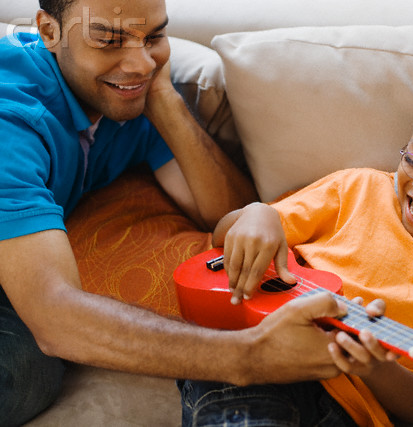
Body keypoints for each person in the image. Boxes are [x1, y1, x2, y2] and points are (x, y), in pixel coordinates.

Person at [0, 0, 361, 425]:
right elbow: (55, 318)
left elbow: (225, 214)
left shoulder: (126, 96)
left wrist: (164, 100)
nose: (140, 63)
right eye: (109, 41)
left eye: (154, 36)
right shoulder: (13, 121)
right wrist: (249, 357)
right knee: (24, 372)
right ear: (49, 32)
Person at [200, 79, 413, 426]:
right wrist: (258, 212)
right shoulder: (355, 188)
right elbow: (221, 239)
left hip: (347, 412)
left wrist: (375, 367)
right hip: (259, 358)